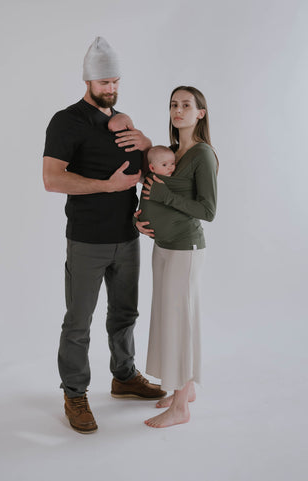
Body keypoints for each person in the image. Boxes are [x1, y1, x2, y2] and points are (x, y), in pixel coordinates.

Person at [42, 36, 166, 435]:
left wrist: (147, 145)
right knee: (78, 322)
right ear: (87, 81)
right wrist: (107, 187)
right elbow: (51, 179)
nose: (110, 89)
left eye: (115, 81)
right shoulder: (66, 121)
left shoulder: (122, 120)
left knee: (125, 314)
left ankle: (124, 376)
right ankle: (75, 393)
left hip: (126, 237)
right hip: (87, 239)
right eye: (103, 83)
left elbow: (149, 167)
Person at [135, 86, 218, 428]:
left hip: (186, 248)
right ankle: (183, 390)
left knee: (180, 322)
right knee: (168, 319)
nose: (178, 110)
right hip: (163, 246)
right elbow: (150, 193)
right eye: (173, 104)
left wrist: (166, 198)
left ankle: (181, 407)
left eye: (186, 105)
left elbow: (208, 210)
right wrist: (139, 220)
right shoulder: (168, 152)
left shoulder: (202, 155)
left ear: (200, 113)